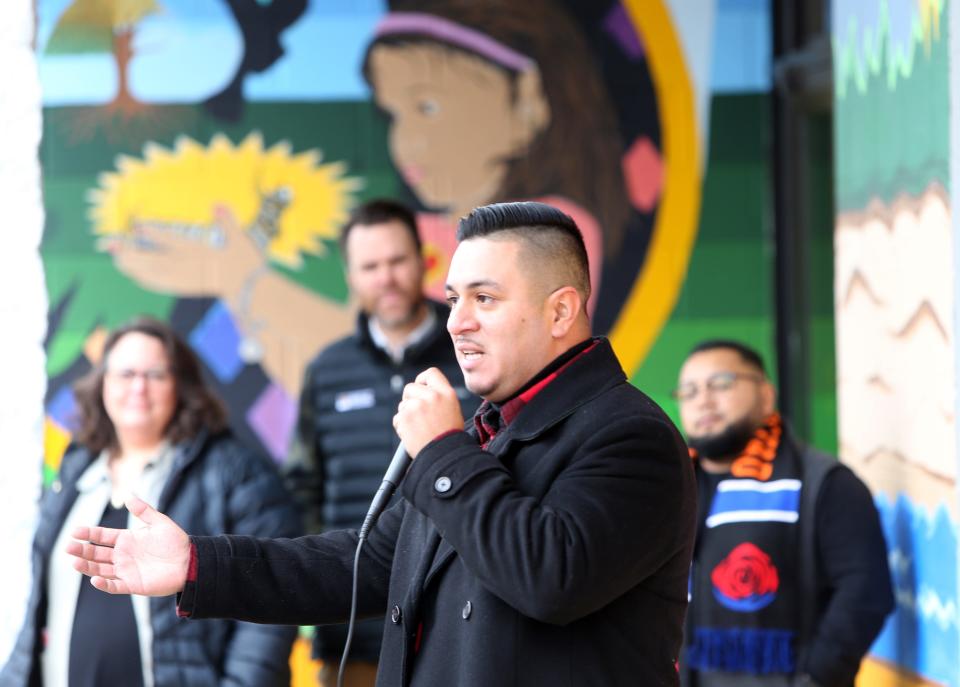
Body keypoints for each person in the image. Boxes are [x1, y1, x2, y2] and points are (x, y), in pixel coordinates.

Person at [66, 201, 697, 687]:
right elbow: (362, 562)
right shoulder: (487, 427)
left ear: (562, 312)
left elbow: (551, 577)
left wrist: (444, 453)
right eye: (454, 299)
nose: (456, 322)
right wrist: (199, 566)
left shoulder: (630, 435)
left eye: (485, 298)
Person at [2, 317, 302, 687]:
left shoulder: (234, 472)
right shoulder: (75, 469)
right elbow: (38, 602)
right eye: (125, 373)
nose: (138, 388)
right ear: (103, 384)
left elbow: (269, 607)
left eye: (156, 374)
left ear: (181, 385)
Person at [284, 198, 479, 686]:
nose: (386, 278)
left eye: (397, 261)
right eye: (370, 266)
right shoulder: (327, 370)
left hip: (459, 625)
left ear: (424, 260)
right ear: (350, 277)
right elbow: (303, 488)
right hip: (354, 634)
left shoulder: (474, 352)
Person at [673, 340, 895, 687]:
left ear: (765, 395)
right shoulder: (674, 486)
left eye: (721, 384)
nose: (703, 399)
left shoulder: (824, 483)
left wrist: (817, 677)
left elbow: (865, 593)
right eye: (689, 391)